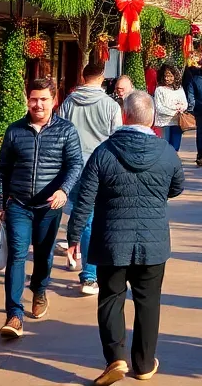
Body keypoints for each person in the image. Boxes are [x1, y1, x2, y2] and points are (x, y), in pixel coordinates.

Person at [66, 91, 184, 385]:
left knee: (110, 299)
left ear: (124, 116)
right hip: (152, 241)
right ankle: (144, 364)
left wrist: (73, 235)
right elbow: (177, 186)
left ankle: (115, 358)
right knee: (148, 302)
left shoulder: (103, 152)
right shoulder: (167, 152)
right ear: (153, 118)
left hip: (111, 240)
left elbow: (85, 199)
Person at [0, 77, 83, 338]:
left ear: (54, 100)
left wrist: (63, 190)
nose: (38, 104)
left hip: (49, 206)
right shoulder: (15, 131)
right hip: (19, 204)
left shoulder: (66, 130)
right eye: (33, 99)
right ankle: (14, 314)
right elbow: (2, 170)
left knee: (43, 255)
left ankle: (40, 289)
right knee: (17, 256)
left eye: (44, 99)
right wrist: (0, 204)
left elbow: (74, 165)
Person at [60, 61, 122, 296]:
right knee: (90, 219)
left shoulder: (68, 103)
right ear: (102, 77)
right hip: (99, 168)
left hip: (71, 165)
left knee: (76, 213)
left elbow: (60, 134)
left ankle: (73, 252)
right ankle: (89, 275)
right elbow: (116, 140)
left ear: (83, 76)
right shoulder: (110, 105)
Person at [151, 64, 187, 151]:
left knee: (175, 147)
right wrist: (173, 112)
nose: (167, 79)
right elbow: (159, 107)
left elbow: (185, 103)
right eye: (165, 76)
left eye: (170, 76)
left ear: (175, 76)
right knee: (164, 147)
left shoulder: (179, 89)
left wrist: (182, 108)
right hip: (164, 123)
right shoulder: (159, 89)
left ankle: (172, 162)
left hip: (177, 122)